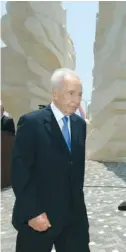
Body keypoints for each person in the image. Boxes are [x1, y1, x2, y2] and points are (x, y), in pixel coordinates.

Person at [11, 68, 90, 252]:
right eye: (71, 93)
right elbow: (20, 172)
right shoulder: (31, 123)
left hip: (73, 221)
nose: (77, 100)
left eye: (80, 94)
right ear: (55, 93)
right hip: (39, 219)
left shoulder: (79, 125)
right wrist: (32, 212)